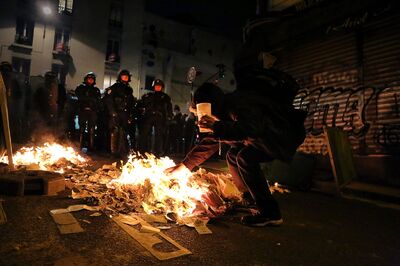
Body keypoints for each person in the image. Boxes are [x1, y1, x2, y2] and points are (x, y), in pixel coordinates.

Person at [165, 68, 306, 227]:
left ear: (211, 105)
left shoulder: (238, 104)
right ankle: (250, 198)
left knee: (245, 157)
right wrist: (186, 165)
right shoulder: (224, 110)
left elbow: (250, 129)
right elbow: (212, 140)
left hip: (280, 137)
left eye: (202, 110)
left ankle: (270, 213)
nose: (200, 115)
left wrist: (217, 126)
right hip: (267, 137)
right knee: (233, 155)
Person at [103, 69, 137, 158]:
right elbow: (109, 100)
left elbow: (131, 104)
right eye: (123, 76)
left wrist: (130, 115)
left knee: (124, 132)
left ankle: (122, 152)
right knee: (115, 131)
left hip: (125, 114)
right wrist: (113, 113)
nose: (125, 77)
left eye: (127, 76)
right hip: (116, 112)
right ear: (120, 77)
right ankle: (113, 152)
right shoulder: (115, 87)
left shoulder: (129, 90)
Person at [137, 79, 172, 156]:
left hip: (159, 117)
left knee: (159, 135)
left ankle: (157, 152)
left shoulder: (165, 97)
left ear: (162, 87)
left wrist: (169, 117)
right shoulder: (148, 95)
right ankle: (142, 151)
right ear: (153, 87)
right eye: (156, 86)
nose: (158, 87)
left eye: (159, 86)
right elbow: (141, 105)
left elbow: (169, 108)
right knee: (145, 134)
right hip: (148, 117)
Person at [75, 72, 101, 151]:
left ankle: (91, 147)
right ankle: (79, 145)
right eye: (89, 79)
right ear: (86, 79)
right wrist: (90, 99)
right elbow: (79, 96)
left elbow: (98, 100)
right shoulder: (81, 88)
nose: (90, 80)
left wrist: (94, 105)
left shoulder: (96, 90)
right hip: (83, 110)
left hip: (92, 111)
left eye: (92, 79)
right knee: (81, 128)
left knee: (92, 129)